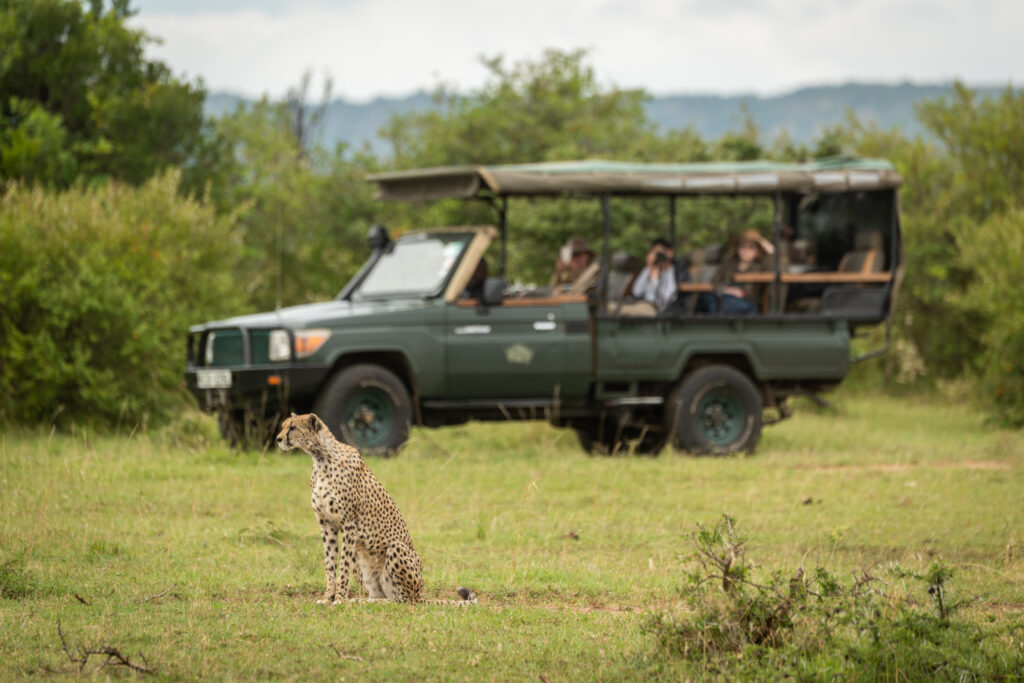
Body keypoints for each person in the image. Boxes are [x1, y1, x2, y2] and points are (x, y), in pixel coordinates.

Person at [701, 229, 773, 314]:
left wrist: (761, 240)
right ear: (738, 248)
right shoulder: (729, 261)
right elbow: (715, 281)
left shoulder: (761, 264)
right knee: (707, 299)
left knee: (714, 306)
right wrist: (727, 290)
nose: (746, 250)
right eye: (742, 246)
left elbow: (773, 259)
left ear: (758, 251)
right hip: (723, 297)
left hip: (746, 301)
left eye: (751, 247)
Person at [631, 237, 680, 310]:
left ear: (670, 252)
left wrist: (654, 281)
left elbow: (665, 299)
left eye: (660, 253)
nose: (658, 256)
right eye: (655, 253)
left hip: (659, 310)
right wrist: (648, 267)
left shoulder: (675, 272)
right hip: (643, 307)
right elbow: (636, 292)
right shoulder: (651, 269)